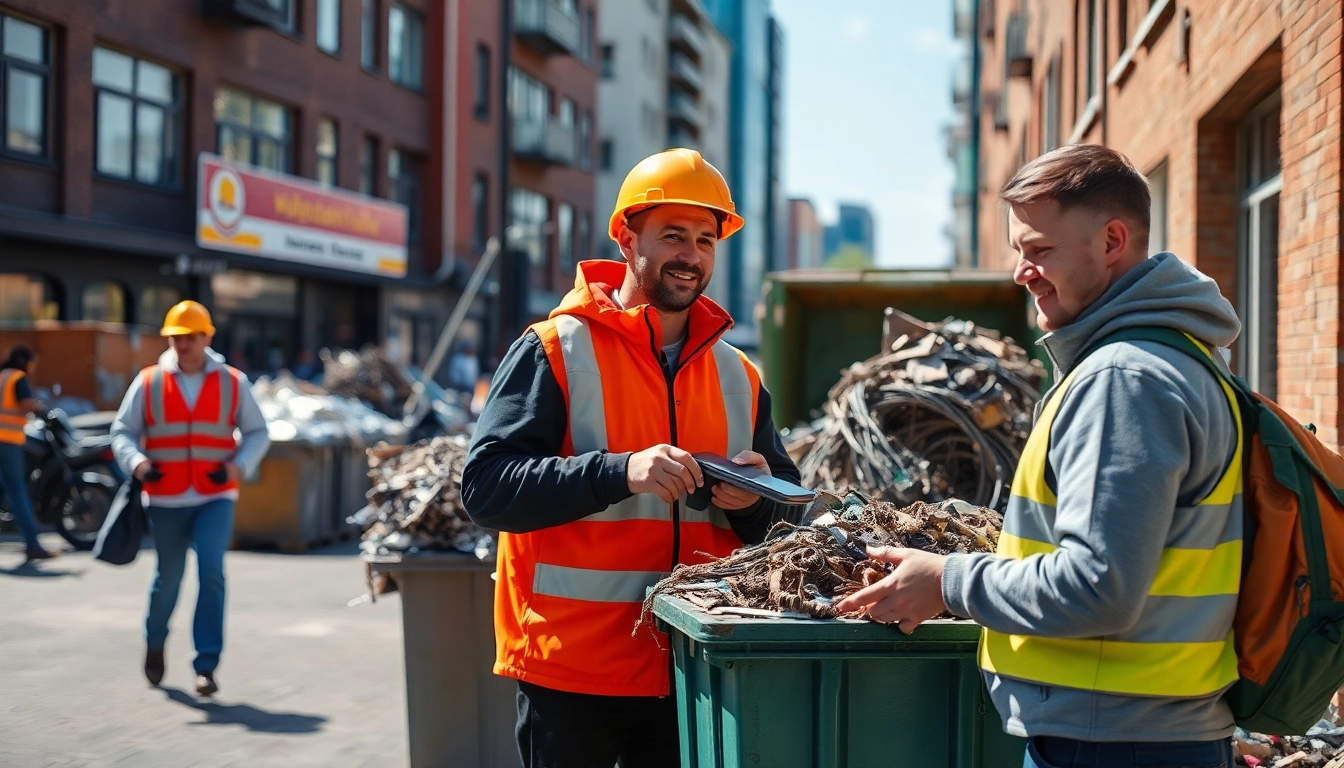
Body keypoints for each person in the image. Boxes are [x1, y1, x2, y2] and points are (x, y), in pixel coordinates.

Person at [835, 145, 1244, 768]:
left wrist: (945, 581)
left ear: (1111, 241)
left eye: (1038, 250)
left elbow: (1098, 586)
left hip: (1111, 741)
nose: (1021, 273)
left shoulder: (1124, 380)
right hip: (1147, 730)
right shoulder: (1182, 361)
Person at [462, 148, 802, 768]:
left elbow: (788, 522)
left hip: (696, 664)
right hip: (573, 669)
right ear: (625, 237)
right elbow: (487, 489)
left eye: (705, 239)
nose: (691, 256)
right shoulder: (553, 349)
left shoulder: (739, 374)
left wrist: (756, 501)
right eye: (673, 235)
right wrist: (619, 471)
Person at [111, 301, 270, 697]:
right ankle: (154, 639)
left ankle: (206, 665)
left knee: (212, 571)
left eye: (190, 337)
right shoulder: (148, 381)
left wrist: (237, 467)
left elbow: (257, 432)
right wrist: (139, 463)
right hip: (165, 497)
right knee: (169, 577)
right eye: (176, 338)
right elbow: (122, 432)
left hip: (215, 494)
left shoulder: (234, 382)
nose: (182, 344)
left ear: (207, 337)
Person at [0, 344, 55, 561]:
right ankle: (32, 544)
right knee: (17, 492)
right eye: (32, 363)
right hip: (8, 441)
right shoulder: (17, 378)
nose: (33, 368)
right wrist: (41, 407)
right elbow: (25, 402)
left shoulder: (2, 375)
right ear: (25, 361)